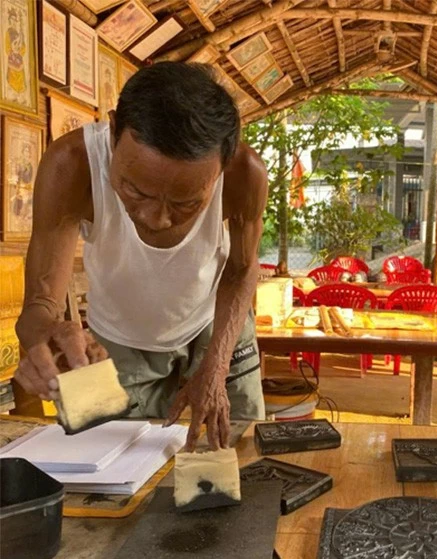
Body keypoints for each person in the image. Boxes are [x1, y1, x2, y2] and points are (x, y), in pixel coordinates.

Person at [14, 62, 267, 450]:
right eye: (136, 191)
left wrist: (216, 368)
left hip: (216, 328)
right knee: (95, 464)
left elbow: (242, 270)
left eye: (185, 203)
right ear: (113, 132)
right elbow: (40, 302)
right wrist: (43, 336)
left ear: (223, 166)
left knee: (237, 455)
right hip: (112, 339)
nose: (157, 219)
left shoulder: (244, 172)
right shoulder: (72, 163)